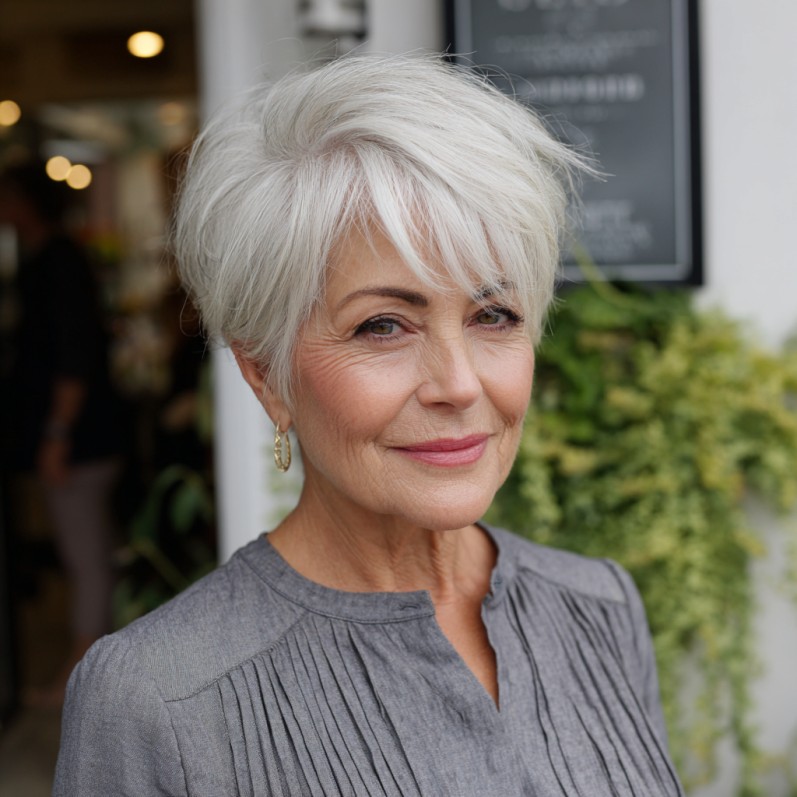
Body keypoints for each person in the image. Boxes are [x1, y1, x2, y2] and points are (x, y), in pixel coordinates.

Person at [54, 55, 684, 795]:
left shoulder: (599, 608)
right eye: (382, 325)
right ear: (266, 377)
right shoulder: (157, 697)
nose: (457, 383)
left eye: (493, 315)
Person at [0, 163, 120, 708]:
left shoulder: (58, 261)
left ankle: (83, 676)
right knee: (84, 553)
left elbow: (73, 356)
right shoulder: (47, 259)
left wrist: (56, 432)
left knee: (85, 556)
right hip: (75, 434)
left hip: (78, 438)